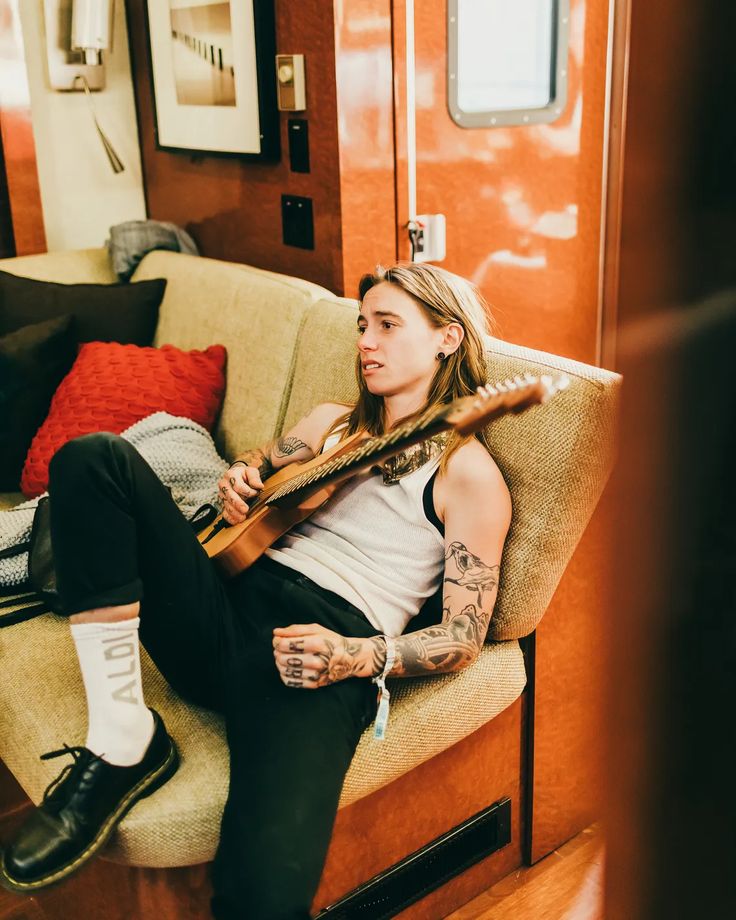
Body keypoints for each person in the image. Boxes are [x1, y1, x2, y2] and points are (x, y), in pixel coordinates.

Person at [0, 262, 512, 919]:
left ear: (447, 338)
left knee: (266, 896)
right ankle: (123, 735)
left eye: (387, 325)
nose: (366, 342)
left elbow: (465, 637)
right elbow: (261, 465)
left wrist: (355, 656)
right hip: (223, 600)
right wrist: (239, 479)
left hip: (316, 656)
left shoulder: (467, 473)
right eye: (363, 326)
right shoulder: (332, 424)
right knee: (92, 457)